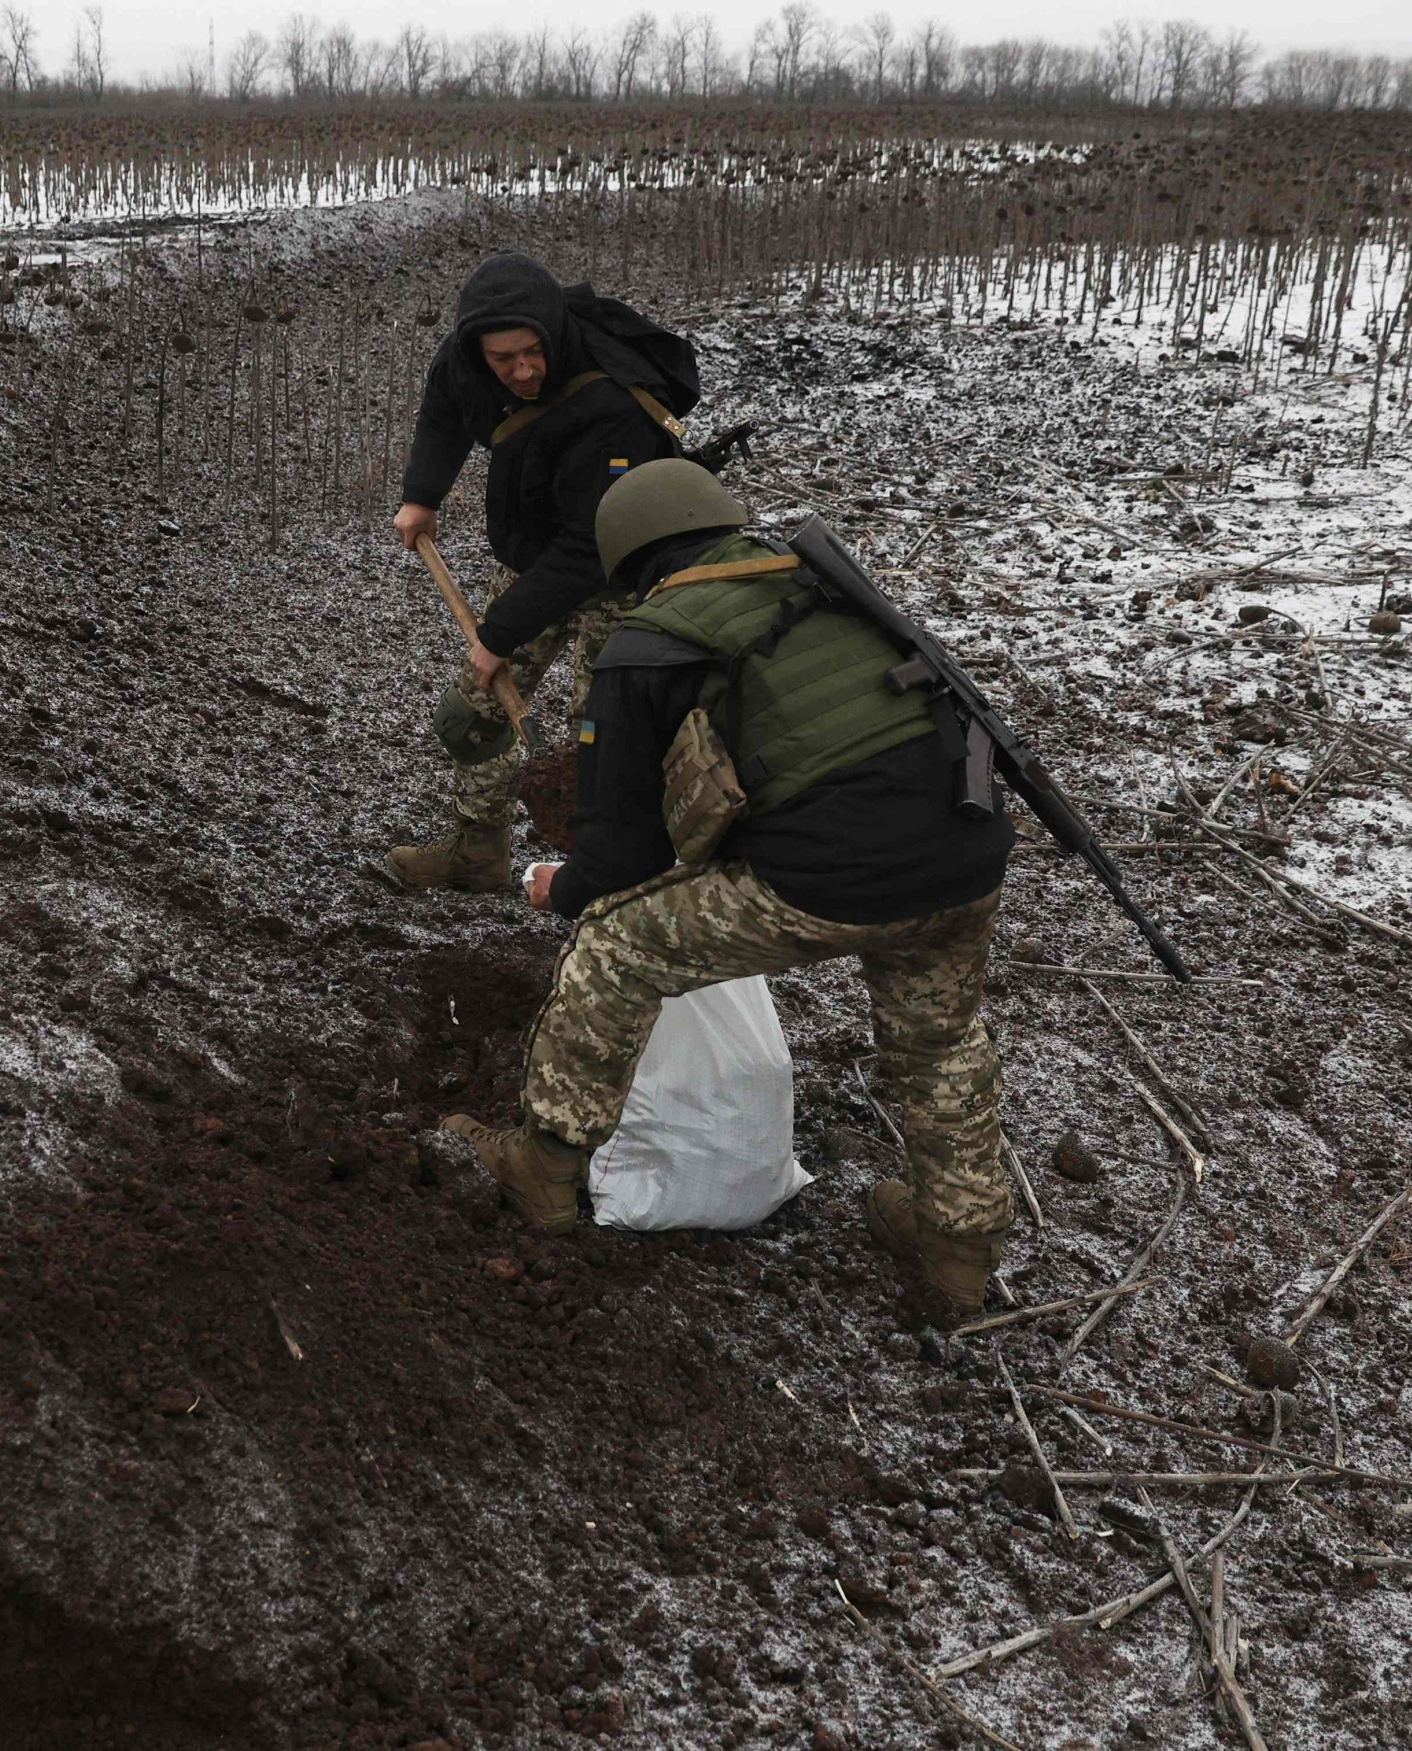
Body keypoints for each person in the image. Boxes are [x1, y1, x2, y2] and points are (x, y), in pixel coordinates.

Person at [439, 459, 1020, 1318]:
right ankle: (959, 1251)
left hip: (832, 873)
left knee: (617, 945)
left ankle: (543, 1167)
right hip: (966, 853)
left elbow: (619, 860)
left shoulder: (646, 644)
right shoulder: (828, 588)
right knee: (937, 1042)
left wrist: (561, 892)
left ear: (629, 561)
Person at [382, 252, 720, 895]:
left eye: (531, 352)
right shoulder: (465, 360)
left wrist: (498, 634)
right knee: (472, 714)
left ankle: (601, 880)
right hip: (534, 558)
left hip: (618, 574)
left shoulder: (613, 403)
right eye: (503, 359)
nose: (522, 370)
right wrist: (422, 494)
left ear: (553, 332)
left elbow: (587, 548)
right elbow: (445, 411)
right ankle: (477, 853)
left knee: (598, 741)